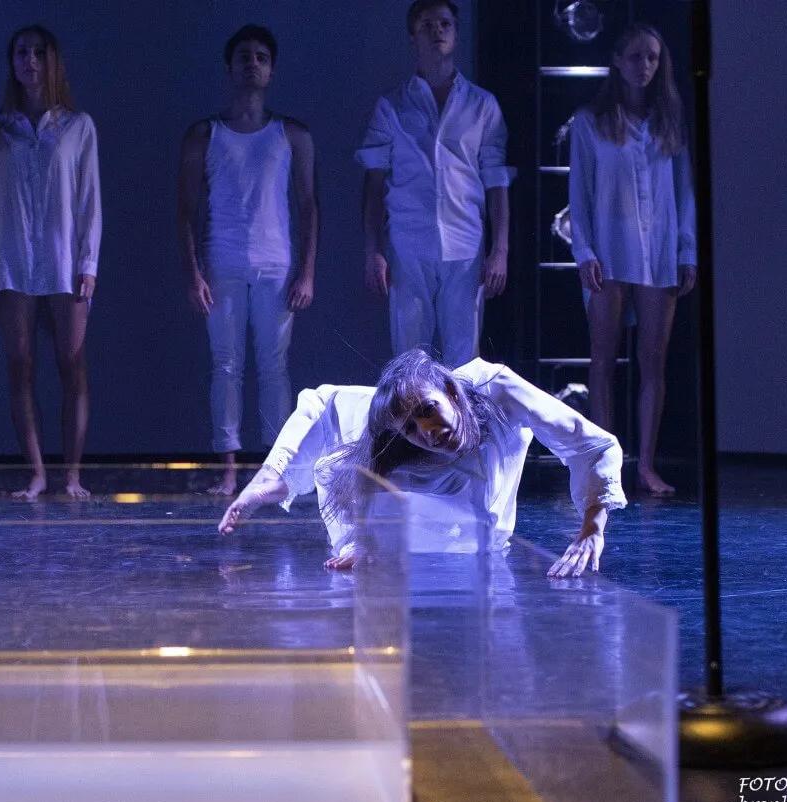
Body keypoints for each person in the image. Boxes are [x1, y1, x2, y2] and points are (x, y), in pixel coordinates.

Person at [218, 349, 625, 578]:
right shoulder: (402, 442)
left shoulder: (495, 386)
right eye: (412, 427)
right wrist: (364, 541)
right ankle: (274, 479)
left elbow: (592, 444)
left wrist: (593, 527)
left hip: (481, 540)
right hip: (422, 523)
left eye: (429, 410)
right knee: (340, 416)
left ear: (450, 390)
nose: (427, 430)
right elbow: (326, 405)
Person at [177, 24, 317, 496]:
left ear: (271, 69)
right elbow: (186, 208)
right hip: (223, 261)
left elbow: (309, 205)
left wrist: (307, 271)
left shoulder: (291, 134)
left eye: (261, 57)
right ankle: (230, 471)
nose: (252, 64)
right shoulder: (205, 135)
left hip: (276, 265)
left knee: (274, 367)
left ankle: (275, 471)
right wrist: (193, 272)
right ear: (230, 67)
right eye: (244, 57)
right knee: (226, 365)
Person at [0, 25, 102, 500]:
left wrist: (89, 262)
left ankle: (72, 474)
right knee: (20, 365)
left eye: (39, 52)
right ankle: (37, 473)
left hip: (65, 260)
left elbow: (89, 199)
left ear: (52, 61)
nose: (30, 61)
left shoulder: (78, 126)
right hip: (13, 261)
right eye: (21, 53)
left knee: (72, 364)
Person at [567, 24, 696, 497]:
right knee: (603, 359)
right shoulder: (591, 122)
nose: (645, 66)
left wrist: (686, 250)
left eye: (653, 57)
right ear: (618, 61)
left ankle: (646, 465)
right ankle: (607, 467)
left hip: (658, 254)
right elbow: (579, 193)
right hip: (609, 250)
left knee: (652, 363)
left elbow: (684, 191)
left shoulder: (669, 122)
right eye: (637, 56)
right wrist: (584, 251)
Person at [356, 0, 510, 369]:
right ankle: (411, 412)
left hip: (465, 243)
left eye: (444, 23)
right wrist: (373, 250)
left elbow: (496, 182)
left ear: (455, 33)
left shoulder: (482, 105)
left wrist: (500, 250)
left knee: (465, 361)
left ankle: (461, 413)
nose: (437, 31)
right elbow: (373, 185)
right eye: (427, 24)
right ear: (413, 35)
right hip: (408, 244)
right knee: (410, 359)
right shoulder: (392, 106)